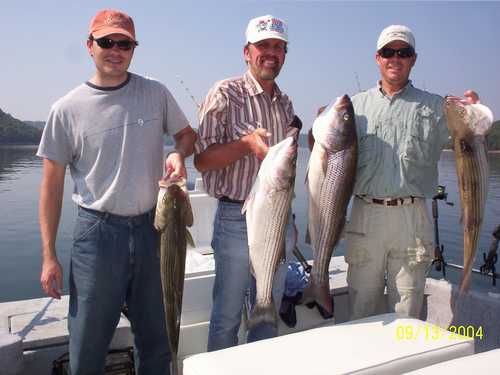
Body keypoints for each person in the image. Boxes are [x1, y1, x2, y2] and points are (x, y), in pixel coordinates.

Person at [37, 9, 197, 374]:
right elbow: (50, 187)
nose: (115, 49)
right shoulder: (65, 110)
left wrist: (177, 152)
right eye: (106, 42)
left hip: (152, 231)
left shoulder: (155, 93)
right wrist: (48, 255)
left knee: (156, 341)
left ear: (133, 49)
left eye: (124, 43)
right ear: (89, 45)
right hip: (96, 236)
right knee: (88, 347)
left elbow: (187, 135)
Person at [308, 25, 479, 320]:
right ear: (377, 57)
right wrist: (317, 131)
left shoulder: (438, 107)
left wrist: (473, 115)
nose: (395, 58)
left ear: (413, 59)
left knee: (407, 312)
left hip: (412, 219)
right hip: (365, 216)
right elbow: (325, 153)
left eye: (403, 53)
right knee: (362, 308)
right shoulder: (355, 106)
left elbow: (468, 142)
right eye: (388, 52)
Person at [194, 14, 301, 351]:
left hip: (279, 218)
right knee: (226, 315)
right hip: (235, 219)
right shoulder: (226, 92)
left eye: (278, 47)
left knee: (266, 312)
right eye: (263, 45)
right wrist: (245, 146)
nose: (270, 53)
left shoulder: (285, 104)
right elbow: (201, 159)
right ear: (247, 51)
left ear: (285, 54)